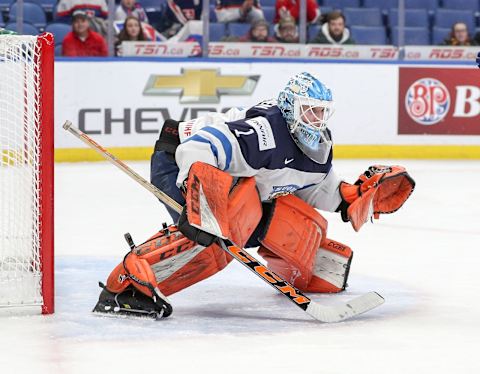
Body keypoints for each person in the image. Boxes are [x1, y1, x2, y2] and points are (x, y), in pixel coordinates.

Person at [92, 72, 414, 318]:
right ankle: (127, 285)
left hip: (224, 173)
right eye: (309, 111)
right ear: (290, 108)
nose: (315, 120)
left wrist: (349, 196)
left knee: (271, 215)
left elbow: (314, 186)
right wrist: (206, 204)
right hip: (178, 155)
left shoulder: (316, 145)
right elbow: (197, 148)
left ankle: (303, 268)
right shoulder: (266, 133)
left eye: (320, 112)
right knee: (217, 232)